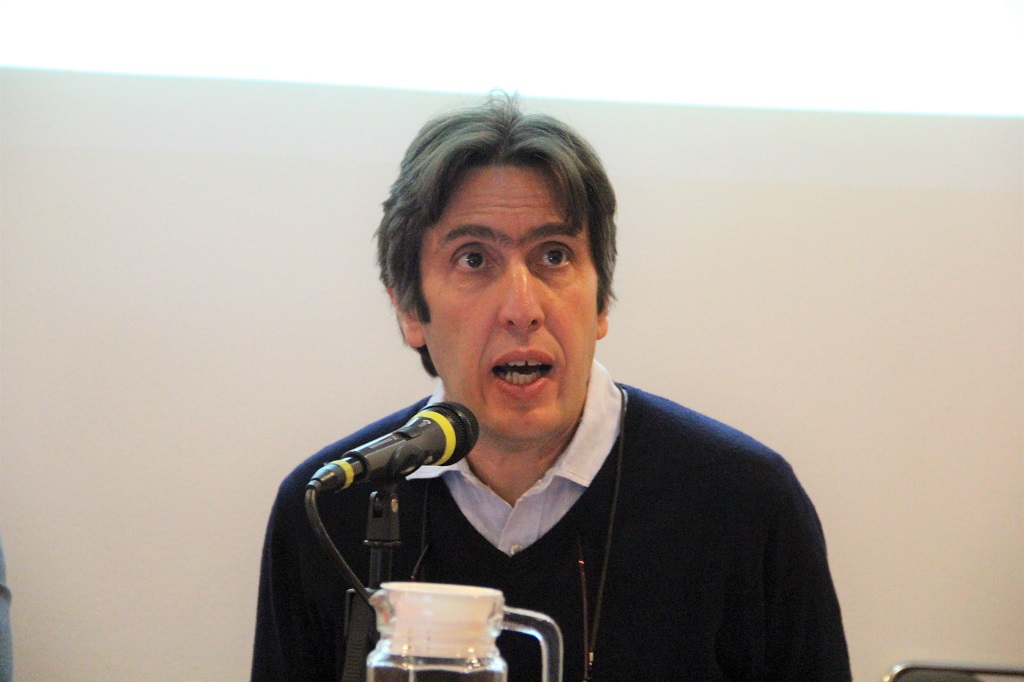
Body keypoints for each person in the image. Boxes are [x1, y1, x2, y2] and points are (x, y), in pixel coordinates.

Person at [251, 94, 851, 681]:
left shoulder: (744, 503)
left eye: (555, 256)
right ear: (410, 310)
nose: (522, 308)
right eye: (473, 259)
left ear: (601, 301)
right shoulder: (331, 506)